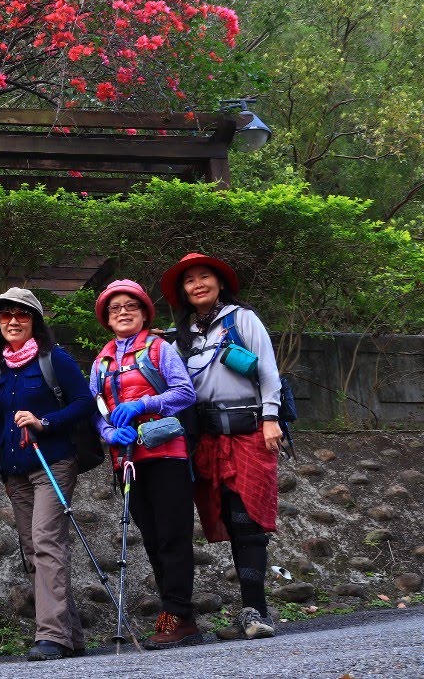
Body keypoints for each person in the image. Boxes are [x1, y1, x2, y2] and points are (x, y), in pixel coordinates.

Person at [161, 252, 284, 641]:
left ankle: (256, 611)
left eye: (204, 277)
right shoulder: (182, 334)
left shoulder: (242, 319)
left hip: (249, 429)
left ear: (219, 283)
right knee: (229, 518)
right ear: (183, 291)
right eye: (189, 280)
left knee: (247, 519)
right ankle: (249, 612)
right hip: (207, 436)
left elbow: (267, 369)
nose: (197, 284)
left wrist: (270, 418)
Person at [90, 279, 201, 649]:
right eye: (115, 307)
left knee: (173, 535)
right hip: (127, 460)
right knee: (152, 538)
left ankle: (178, 615)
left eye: (130, 306)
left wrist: (144, 405)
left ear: (143, 313)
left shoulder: (159, 348)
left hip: (167, 454)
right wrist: (107, 432)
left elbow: (185, 392)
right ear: (106, 317)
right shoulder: (101, 361)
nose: (123, 312)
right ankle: (178, 615)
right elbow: (98, 410)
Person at [0, 286, 92, 662]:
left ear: (36, 321)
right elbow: (2, 423)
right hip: (16, 471)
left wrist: (44, 422)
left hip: (53, 463)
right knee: (33, 551)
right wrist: (3, 471)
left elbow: (85, 402)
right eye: (5, 315)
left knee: (47, 543)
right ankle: (71, 636)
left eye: (23, 315)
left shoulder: (54, 359)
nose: (14, 321)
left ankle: (50, 635)